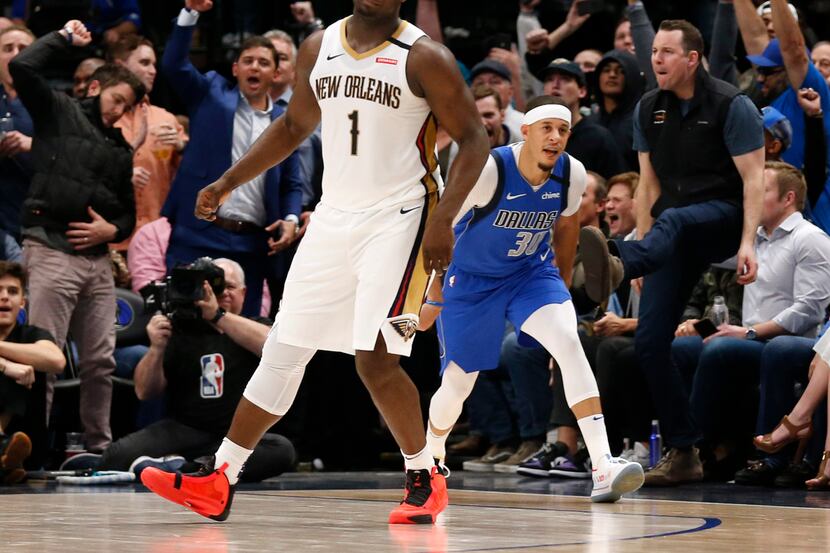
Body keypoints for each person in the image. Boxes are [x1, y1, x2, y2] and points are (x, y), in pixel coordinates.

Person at [140, 0, 489, 525]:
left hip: (402, 215)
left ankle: (424, 475)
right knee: (284, 348)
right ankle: (220, 477)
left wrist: (443, 222)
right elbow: (292, 126)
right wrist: (229, 182)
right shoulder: (318, 46)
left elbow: (474, 139)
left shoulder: (423, 56)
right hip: (332, 216)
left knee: (373, 359)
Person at [421, 96, 644, 503]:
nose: (556, 137)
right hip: (471, 280)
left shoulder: (571, 174)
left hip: (529, 274)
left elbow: (568, 223)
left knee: (568, 340)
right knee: (458, 382)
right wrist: (432, 293)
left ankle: (602, 464)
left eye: (563, 130)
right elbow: (440, 228)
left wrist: (557, 283)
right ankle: (430, 454)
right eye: (547, 128)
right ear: (526, 131)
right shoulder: (489, 170)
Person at [578, 20, 765, 486]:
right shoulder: (648, 107)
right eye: (654, 50)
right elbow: (649, 186)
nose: (656, 59)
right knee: (648, 344)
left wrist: (747, 242)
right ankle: (684, 451)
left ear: (692, 58)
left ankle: (616, 263)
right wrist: (646, 250)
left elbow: (754, 180)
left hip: (720, 220)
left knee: (674, 220)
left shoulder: (731, 104)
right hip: (671, 233)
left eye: (666, 52)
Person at [10, 21, 143, 453]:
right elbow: (23, 66)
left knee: (101, 361)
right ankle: (36, 448)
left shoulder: (122, 150)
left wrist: (112, 230)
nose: (119, 111)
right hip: (50, 248)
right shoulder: (59, 110)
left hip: (99, 260)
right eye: (117, 99)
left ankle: (99, 448)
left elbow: (128, 215)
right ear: (96, 87)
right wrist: (63, 38)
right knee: (44, 356)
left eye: (127, 107)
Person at [160, 7, 304, 318]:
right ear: (236, 68)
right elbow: (173, 65)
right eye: (248, 61)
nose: (255, 67)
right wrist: (188, 13)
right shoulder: (210, 93)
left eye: (264, 62)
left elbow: (294, 182)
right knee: (181, 320)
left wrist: (291, 218)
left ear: (275, 74)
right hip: (199, 234)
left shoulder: (286, 122)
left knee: (243, 328)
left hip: (252, 243)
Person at [97, 258, 295, 481]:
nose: (223, 293)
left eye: (230, 287)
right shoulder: (180, 331)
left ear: (244, 292)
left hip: (236, 434)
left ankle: (186, 468)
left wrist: (218, 315)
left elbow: (273, 347)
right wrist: (156, 348)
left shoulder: (253, 326)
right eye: (215, 287)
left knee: (282, 450)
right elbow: (144, 392)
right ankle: (199, 468)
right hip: (185, 429)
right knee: (115, 456)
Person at [111, 35, 188, 250]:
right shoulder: (101, 117)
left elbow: (194, 177)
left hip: (157, 240)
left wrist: (182, 149)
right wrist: (121, 176)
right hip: (111, 240)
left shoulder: (166, 119)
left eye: (154, 64)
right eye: (144, 63)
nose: (153, 71)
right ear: (121, 66)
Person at [0, 261, 65, 482]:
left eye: (12, 291)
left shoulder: (33, 334)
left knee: (22, 370)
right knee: (10, 369)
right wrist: (5, 366)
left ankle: (6, 450)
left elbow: (56, 361)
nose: (5, 297)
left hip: (26, 441)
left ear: (22, 303)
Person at [0, 25, 34, 242]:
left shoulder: (55, 103)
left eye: (23, 48)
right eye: (7, 48)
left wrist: (32, 144)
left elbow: (72, 156)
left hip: (37, 221)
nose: (15, 54)